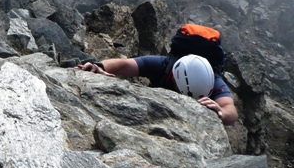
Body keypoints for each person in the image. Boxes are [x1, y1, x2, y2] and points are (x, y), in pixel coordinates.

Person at [76, 55, 238, 126]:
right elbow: (124, 64)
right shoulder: (164, 65)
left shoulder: (212, 78)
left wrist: (221, 113)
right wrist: (99, 66)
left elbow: (230, 111)